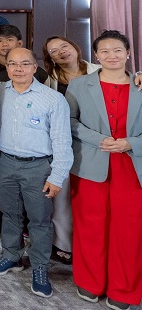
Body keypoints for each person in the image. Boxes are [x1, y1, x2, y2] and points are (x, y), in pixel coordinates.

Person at [0, 47, 73, 299]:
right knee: (10, 214)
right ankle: (11, 256)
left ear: (35, 67)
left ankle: (40, 267)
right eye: (13, 64)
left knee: (39, 220)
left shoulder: (53, 99)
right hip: (5, 163)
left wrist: (57, 176)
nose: (18, 69)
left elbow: (62, 141)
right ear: (7, 67)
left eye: (24, 64)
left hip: (38, 166)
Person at [66, 30, 142, 310]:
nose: (112, 56)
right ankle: (90, 281)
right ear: (96, 55)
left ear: (128, 53)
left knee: (129, 229)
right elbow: (68, 121)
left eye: (118, 50)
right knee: (90, 224)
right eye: (105, 51)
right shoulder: (78, 85)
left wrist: (131, 143)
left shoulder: (140, 85)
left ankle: (124, 288)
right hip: (90, 162)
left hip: (132, 165)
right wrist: (97, 139)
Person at [42, 35, 101, 264]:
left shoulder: (99, 70)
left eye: (64, 46)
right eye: (54, 51)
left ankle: (92, 245)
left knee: (91, 198)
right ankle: (64, 245)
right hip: (64, 142)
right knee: (62, 198)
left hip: (99, 141)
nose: (61, 52)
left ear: (74, 47)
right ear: (51, 59)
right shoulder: (51, 80)